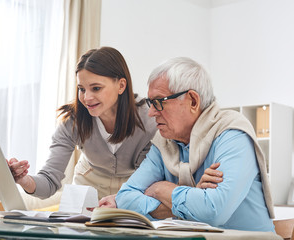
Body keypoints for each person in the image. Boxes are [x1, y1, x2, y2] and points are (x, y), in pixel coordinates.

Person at [115, 57, 275, 232]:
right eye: (150, 103)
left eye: (159, 102)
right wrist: (192, 198)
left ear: (192, 101)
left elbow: (213, 212)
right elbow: (124, 199)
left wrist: (161, 189)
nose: (152, 113)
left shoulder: (232, 136)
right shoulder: (163, 144)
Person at [7, 46, 158, 200]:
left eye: (96, 88)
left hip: (132, 189)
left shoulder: (149, 121)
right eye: (82, 89)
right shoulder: (72, 123)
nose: (87, 98)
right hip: (87, 187)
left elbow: (144, 182)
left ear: (121, 85)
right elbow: (48, 181)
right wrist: (23, 180)